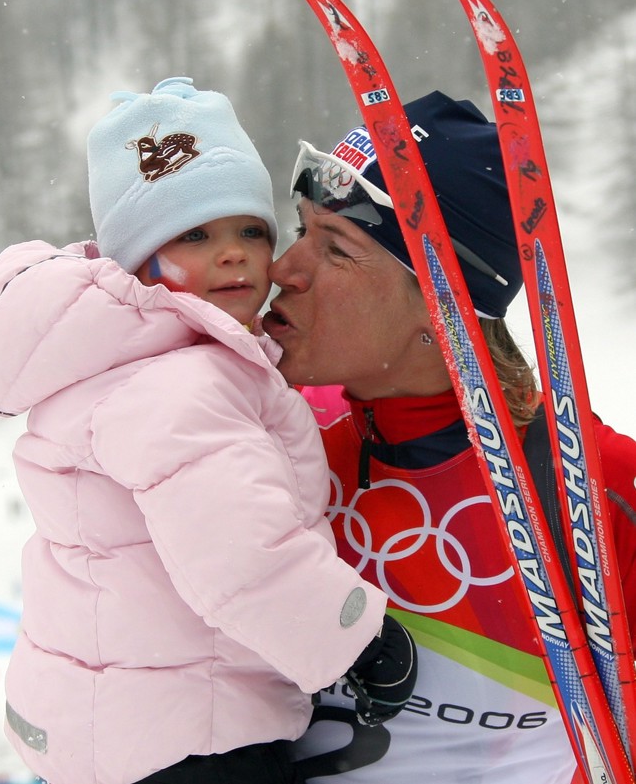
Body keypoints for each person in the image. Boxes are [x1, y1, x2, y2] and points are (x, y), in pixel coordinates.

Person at [0, 77, 418, 784]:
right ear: (134, 259)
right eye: (193, 234)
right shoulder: (181, 380)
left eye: (249, 230)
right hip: (191, 733)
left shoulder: (118, 356)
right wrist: (354, 636)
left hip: (121, 720)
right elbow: (238, 550)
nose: (232, 253)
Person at [262, 90, 636, 784]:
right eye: (301, 227)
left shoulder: (593, 486)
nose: (284, 267)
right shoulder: (268, 458)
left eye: (336, 247)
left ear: (441, 313)